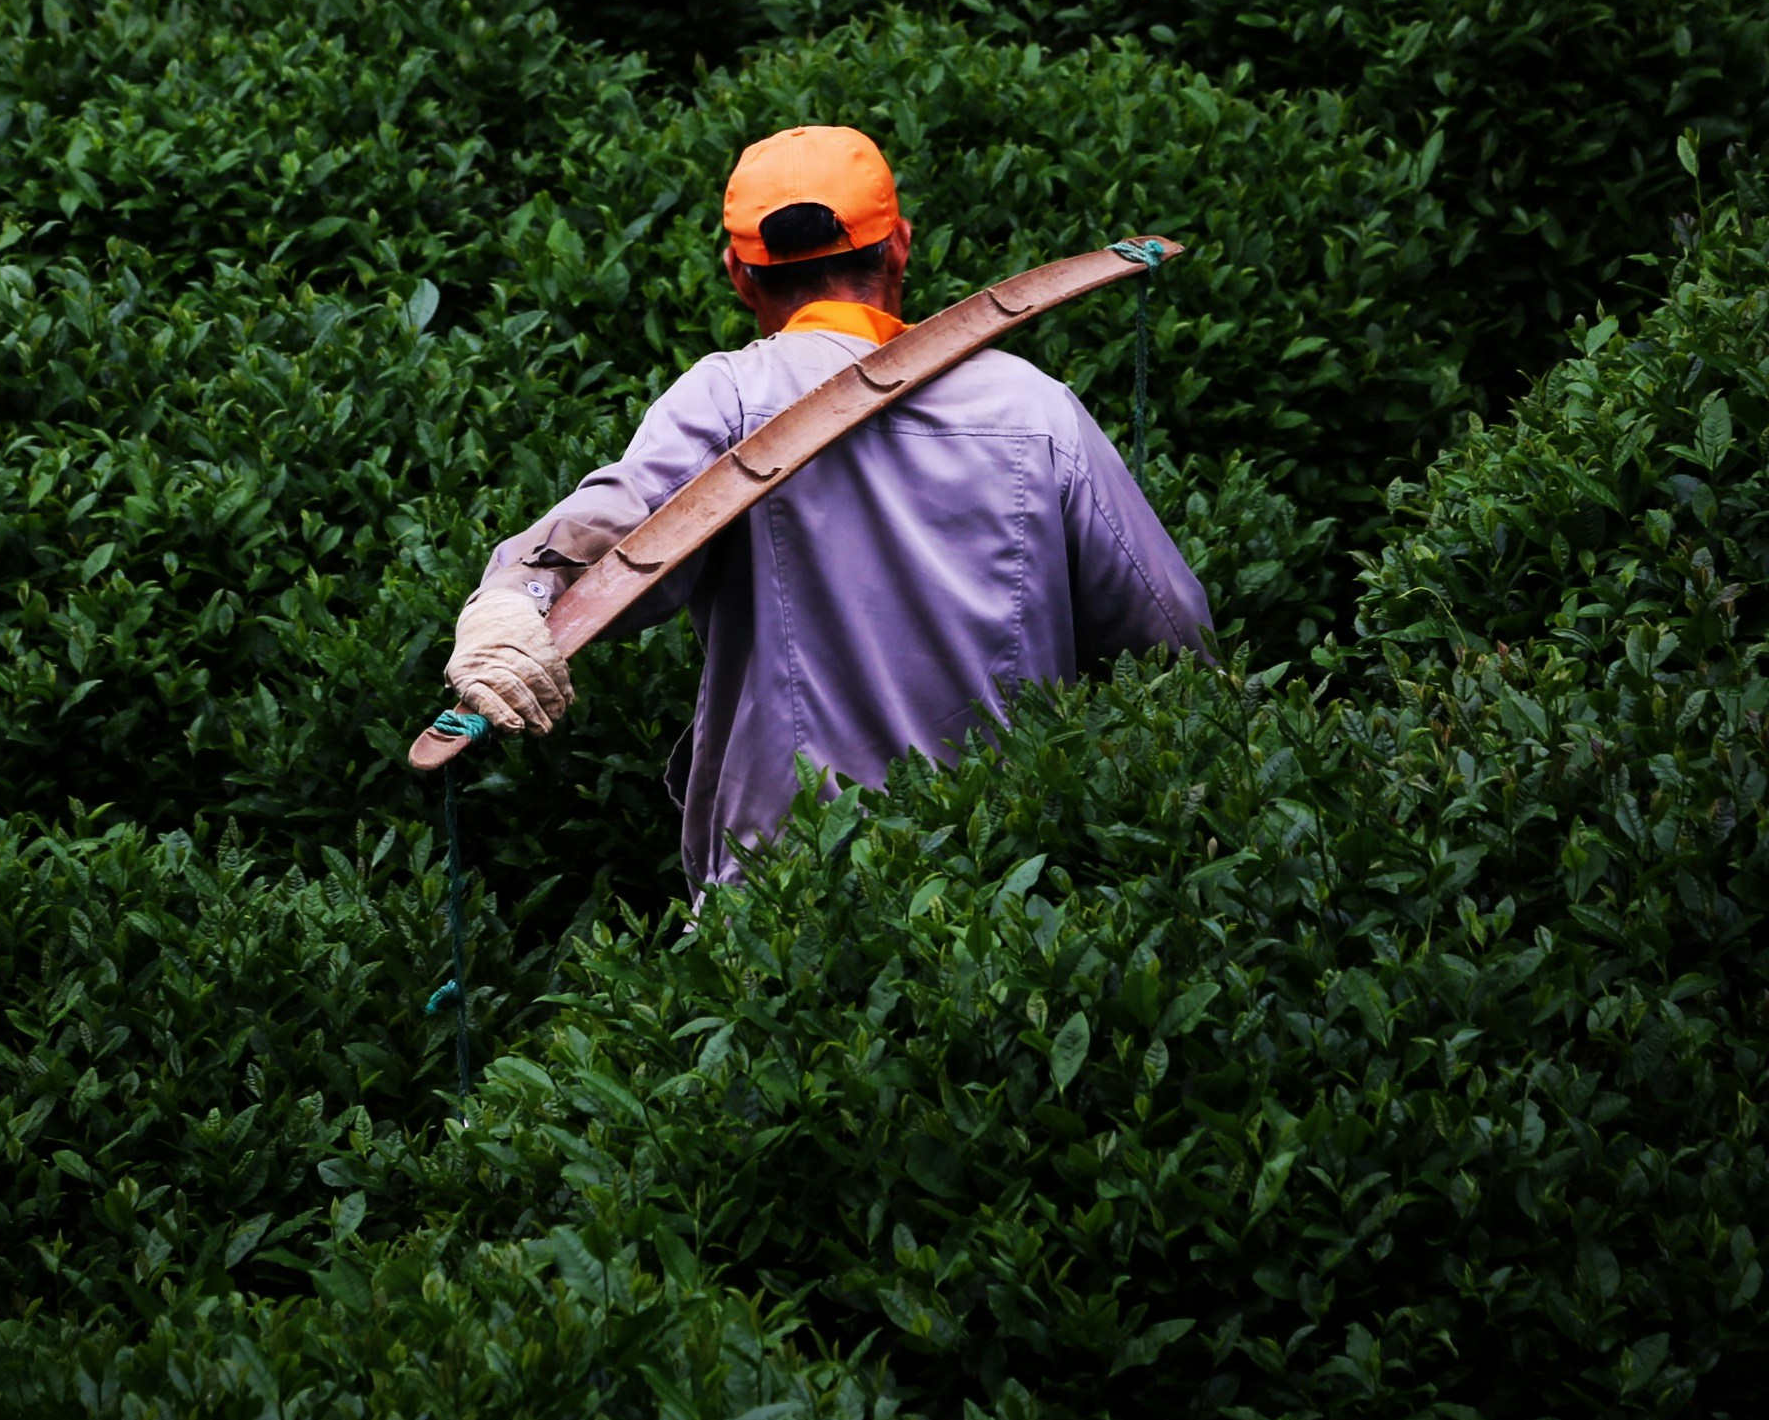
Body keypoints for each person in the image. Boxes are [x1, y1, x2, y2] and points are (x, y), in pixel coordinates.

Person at [445, 124, 1211, 895]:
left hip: (789, 895)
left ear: (739, 274)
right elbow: (1170, 631)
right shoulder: (1034, 406)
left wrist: (515, 595)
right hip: (1009, 887)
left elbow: (618, 531)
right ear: (901, 244)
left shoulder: (729, 396)